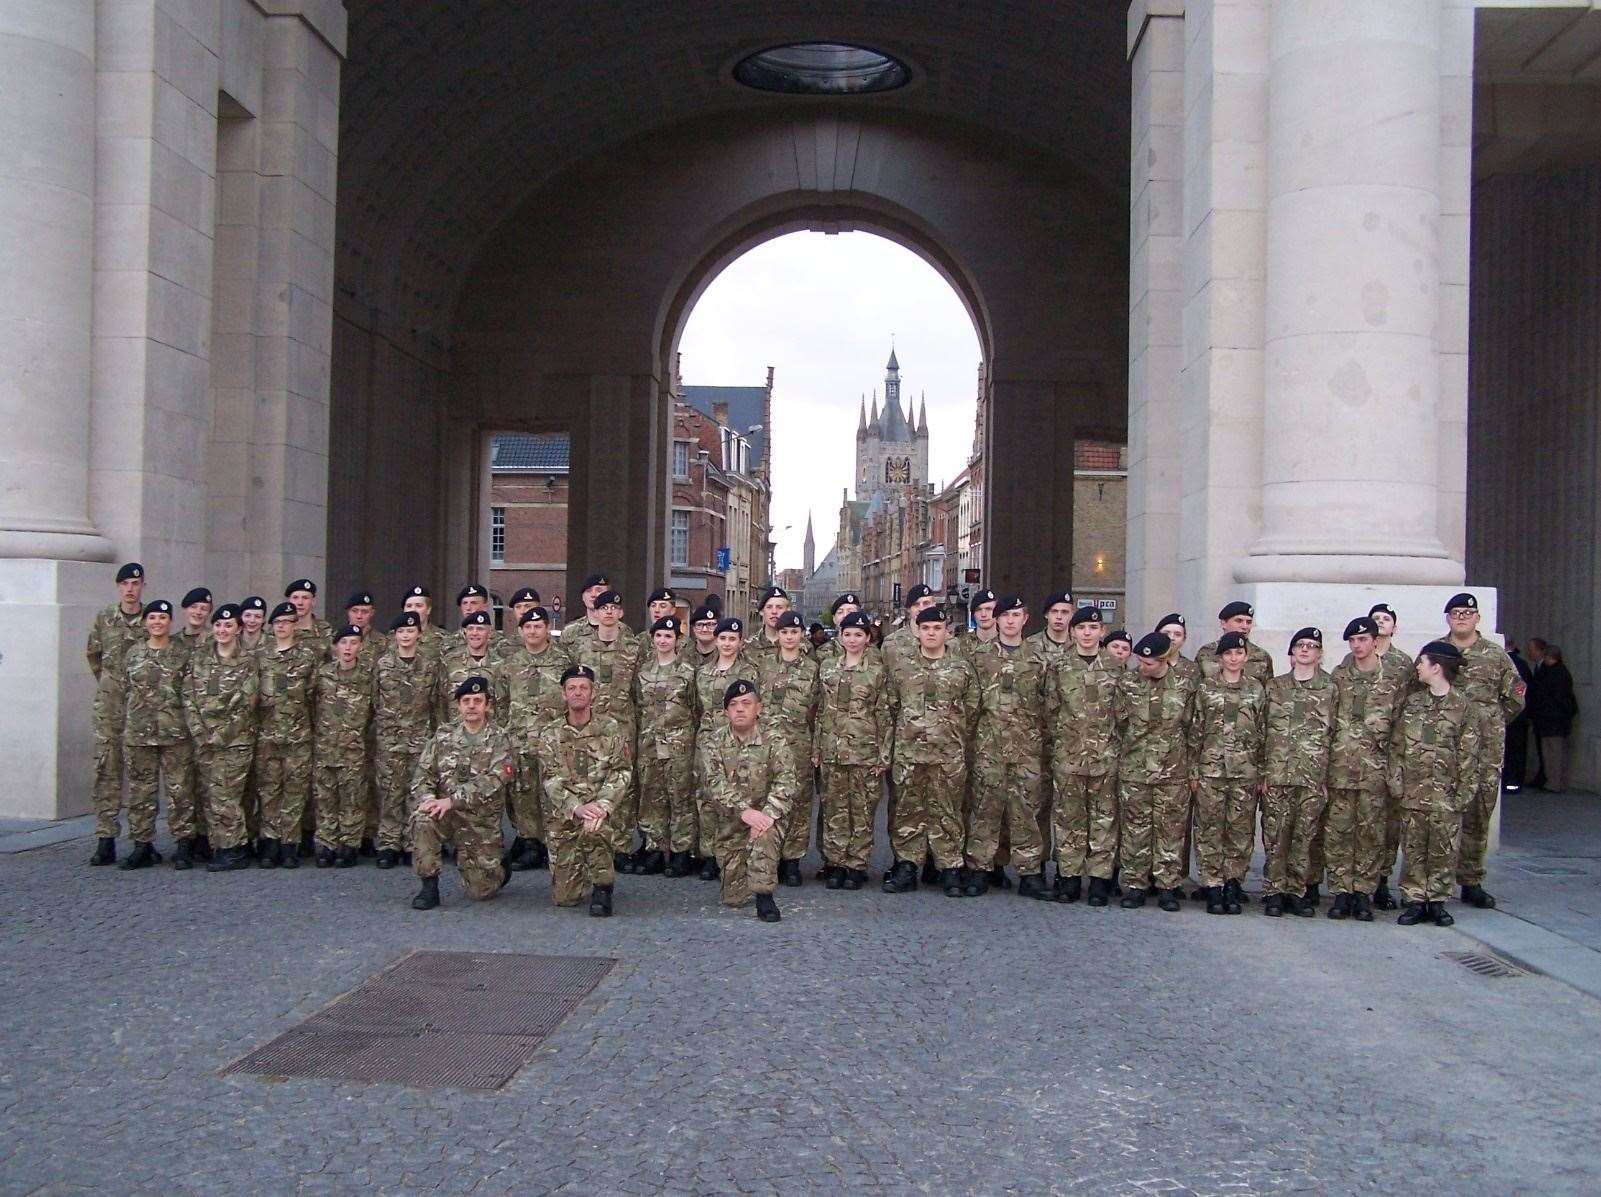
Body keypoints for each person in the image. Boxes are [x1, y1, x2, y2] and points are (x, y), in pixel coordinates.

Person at [882, 606, 978, 896]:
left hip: (947, 753)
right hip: (910, 754)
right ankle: (907, 865)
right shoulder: (903, 667)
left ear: (946, 630)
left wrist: (953, 736)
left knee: (947, 811)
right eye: (926, 628)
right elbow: (890, 706)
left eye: (937, 628)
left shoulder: (961, 668)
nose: (932, 633)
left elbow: (972, 708)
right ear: (918, 631)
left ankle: (949, 866)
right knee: (907, 811)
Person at [1390, 642, 1483, 927]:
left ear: (1437, 667)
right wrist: (1397, 784)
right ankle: (1416, 900)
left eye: (1422, 662)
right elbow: (1397, 747)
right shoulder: (1413, 703)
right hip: (1413, 792)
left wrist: (1463, 795)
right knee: (1414, 850)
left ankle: (1438, 901)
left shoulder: (1463, 707)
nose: (1417, 667)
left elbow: (1470, 755)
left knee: (1443, 850)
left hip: (1446, 794)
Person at [1441, 592, 1525, 909]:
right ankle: (1437, 882)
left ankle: (1471, 880)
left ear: (1477, 618)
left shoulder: (1495, 655)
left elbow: (1516, 695)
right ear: (1447, 618)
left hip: (1484, 753)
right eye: (1455, 613)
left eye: (1467, 613)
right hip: (1444, 751)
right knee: (1441, 818)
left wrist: (1491, 721)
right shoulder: (1439, 651)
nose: (1461, 617)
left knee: (1477, 816)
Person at [966, 596, 1052, 898]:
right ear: (996, 620)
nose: (1011, 621)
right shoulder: (979, 657)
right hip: (989, 746)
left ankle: (1029, 872)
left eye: (1017, 615)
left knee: (1026, 810)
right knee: (985, 809)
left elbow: (1049, 704)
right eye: (1005, 616)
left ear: (1026, 618)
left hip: (1027, 747)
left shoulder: (1040, 659)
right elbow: (970, 705)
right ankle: (980, 868)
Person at [408, 676, 517, 910]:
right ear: (458, 705)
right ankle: (429, 886)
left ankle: (499, 863)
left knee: (481, 892)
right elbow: (422, 774)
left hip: (480, 820)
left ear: (487, 705)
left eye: (477, 701)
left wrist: (452, 800)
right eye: (466, 700)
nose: (471, 706)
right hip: (444, 812)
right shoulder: (443, 736)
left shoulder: (501, 739)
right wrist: (427, 800)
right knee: (422, 819)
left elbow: (495, 780)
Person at [1326, 616, 1408, 921]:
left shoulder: (1393, 679)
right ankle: (1341, 892)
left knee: (1371, 834)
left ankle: (1363, 893)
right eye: (1353, 640)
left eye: (1363, 639)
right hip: (1340, 769)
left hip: (1376, 771)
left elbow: (1400, 727)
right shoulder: (1338, 677)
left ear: (1376, 641)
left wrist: (1395, 771)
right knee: (1339, 833)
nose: (1358, 645)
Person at [537, 664, 630, 916]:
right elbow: (549, 778)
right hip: (565, 815)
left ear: (593, 693)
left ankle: (602, 886)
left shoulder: (610, 729)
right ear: (563, 694)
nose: (578, 692)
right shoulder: (550, 734)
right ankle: (580, 871)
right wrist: (576, 807)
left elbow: (622, 771)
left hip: (599, 812)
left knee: (595, 828)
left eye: (583, 688)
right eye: (572, 688)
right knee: (565, 898)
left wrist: (602, 806)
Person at [1185, 630, 1266, 915]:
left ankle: (1233, 881)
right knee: (1209, 828)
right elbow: (1194, 730)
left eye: (1239, 653)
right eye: (1229, 653)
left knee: (1240, 829)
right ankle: (1212, 884)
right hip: (1210, 769)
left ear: (1246, 657)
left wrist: (1262, 773)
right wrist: (1193, 771)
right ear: (1220, 657)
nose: (1233, 658)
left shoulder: (1256, 689)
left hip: (1245, 771)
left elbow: (1264, 731)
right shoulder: (1206, 688)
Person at [1112, 631, 1195, 911]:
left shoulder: (1184, 685)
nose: (1143, 667)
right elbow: (1119, 722)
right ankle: (1135, 884)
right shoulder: (1128, 682)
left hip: (1173, 770)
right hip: (1135, 768)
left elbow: (1192, 726)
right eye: (1140, 661)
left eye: (1149, 663)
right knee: (1135, 829)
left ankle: (1168, 886)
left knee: (1170, 829)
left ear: (1165, 660)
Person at [701, 678, 796, 922]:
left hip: (767, 818)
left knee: (763, 836)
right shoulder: (714, 741)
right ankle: (741, 872)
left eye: (746, 703)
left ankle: (765, 898)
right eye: (733, 704)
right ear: (726, 711)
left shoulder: (774, 739)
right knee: (733, 898)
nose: (740, 709)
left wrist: (765, 815)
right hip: (731, 823)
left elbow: (786, 781)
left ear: (759, 708)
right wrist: (745, 811)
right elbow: (714, 784)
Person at [1045, 606, 1121, 905]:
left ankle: (1100, 879)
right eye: (1081, 628)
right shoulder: (1061, 666)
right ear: (1073, 632)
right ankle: (1070, 877)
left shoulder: (1115, 667)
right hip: (1069, 755)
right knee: (1068, 819)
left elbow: (1123, 712)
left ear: (1102, 632)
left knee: (1104, 819)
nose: (1087, 633)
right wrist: (1064, 741)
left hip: (1105, 756)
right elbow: (1051, 708)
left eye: (1093, 628)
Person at [566, 588, 644, 871]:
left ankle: (621, 845)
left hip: (623, 725)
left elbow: (641, 687)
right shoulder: (580, 647)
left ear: (621, 613)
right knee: (589, 780)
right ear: (595, 614)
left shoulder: (634, 647)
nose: (609, 611)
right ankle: (588, 839)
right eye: (603, 607)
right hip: (591, 727)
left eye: (614, 607)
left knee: (623, 784)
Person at [1259, 628, 1335, 918]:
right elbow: (1260, 731)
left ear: (1319, 654)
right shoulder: (1274, 687)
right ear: (1291, 653)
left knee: (1304, 838)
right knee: (1276, 836)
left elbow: (1335, 734)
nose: (1305, 649)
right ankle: (1274, 891)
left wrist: (1327, 777)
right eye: (1299, 645)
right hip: (1277, 774)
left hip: (1312, 777)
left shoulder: (1330, 688)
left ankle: (1297, 891)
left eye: (1312, 646)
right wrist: (1262, 773)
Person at [814, 610, 890, 890]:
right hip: (832, 750)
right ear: (841, 637)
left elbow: (884, 713)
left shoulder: (877, 672)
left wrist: (884, 754)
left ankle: (857, 864)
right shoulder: (828, 669)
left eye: (859, 634)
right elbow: (821, 711)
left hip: (864, 751)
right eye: (848, 634)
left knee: (862, 810)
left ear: (868, 638)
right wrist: (817, 748)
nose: (853, 639)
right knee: (834, 808)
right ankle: (835, 862)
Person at [183, 603, 260, 872]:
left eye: (228, 625)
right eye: (218, 625)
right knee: (210, 794)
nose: (223, 630)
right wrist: (200, 731)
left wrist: (220, 735)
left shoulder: (248, 662)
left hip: (234, 742)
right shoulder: (200, 658)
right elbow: (188, 697)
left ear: (238, 629)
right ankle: (221, 845)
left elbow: (247, 704)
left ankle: (234, 849)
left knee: (226, 795)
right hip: (205, 741)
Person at [119, 600, 190, 869]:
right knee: (140, 791)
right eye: (152, 617)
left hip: (175, 733)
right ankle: (142, 845)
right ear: (145, 622)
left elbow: (190, 690)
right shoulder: (134, 654)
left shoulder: (182, 653)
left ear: (170, 621)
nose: (157, 622)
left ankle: (183, 843)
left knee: (180, 790)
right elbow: (126, 687)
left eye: (162, 617)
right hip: (139, 733)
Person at [86, 562, 147, 866]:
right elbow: (93, 655)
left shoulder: (153, 618)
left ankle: (141, 839)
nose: (130, 588)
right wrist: (110, 684)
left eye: (135, 583)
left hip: (142, 707)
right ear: (118, 587)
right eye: (125, 583)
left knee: (140, 774)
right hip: (109, 707)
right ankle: (105, 838)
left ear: (143, 586)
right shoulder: (105, 618)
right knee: (106, 770)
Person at [756, 610, 820, 884]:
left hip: (798, 743)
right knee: (767, 798)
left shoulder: (812, 669)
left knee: (799, 801)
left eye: (794, 632)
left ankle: (792, 859)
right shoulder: (763, 665)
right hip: (767, 744)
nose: (789, 637)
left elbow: (820, 711)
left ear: (802, 635)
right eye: (784, 632)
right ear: (778, 636)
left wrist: (816, 747)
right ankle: (769, 857)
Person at [502, 606, 568, 871]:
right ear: (521, 630)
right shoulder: (511, 664)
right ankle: (530, 843)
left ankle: (553, 844)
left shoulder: (562, 661)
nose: (532, 631)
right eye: (528, 627)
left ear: (546, 629)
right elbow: (501, 702)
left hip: (552, 741)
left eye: (538, 626)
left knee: (552, 792)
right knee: (523, 794)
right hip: (520, 740)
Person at [632, 614, 699, 876]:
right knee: (651, 797)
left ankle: (681, 851)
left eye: (668, 636)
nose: (663, 640)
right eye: (659, 635)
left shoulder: (688, 673)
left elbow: (695, 709)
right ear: (652, 639)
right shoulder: (643, 673)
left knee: (680, 797)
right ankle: (655, 849)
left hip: (679, 745)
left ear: (677, 640)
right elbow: (638, 707)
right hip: (649, 744)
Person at [373, 611, 440, 869]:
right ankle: (389, 843)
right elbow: (374, 699)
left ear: (418, 635)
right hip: (390, 739)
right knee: (390, 792)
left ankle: (413, 843)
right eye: (401, 632)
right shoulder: (383, 665)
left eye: (410, 631)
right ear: (395, 635)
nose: (406, 636)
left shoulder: (429, 666)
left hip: (419, 738)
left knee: (417, 791)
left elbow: (435, 703)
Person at [254, 601, 318, 868]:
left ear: (295, 625)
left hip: (298, 735)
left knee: (295, 791)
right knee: (269, 791)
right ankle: (269, 843)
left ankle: (289, 844)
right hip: (267, 735)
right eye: (278, 623)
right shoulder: (260, 656)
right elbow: (252, 695)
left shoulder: (307, 656)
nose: (282, 627)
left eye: (287, 622)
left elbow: (314, 695)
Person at [691, 617, 750, 881]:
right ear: (716, 640)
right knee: (707, 799)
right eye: (723, 638)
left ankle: (735, 855)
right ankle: (709, 854)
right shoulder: (702, 672)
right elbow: (694, 708)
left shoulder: (749, 673)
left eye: (732, 639)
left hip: (737, 743)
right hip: (708, 743)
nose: (727, 643)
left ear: (740, 642)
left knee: (736, 798)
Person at [312, 625, 375, 867]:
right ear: (335, 646)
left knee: (352, 798)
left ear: (360, 646)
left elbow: (375, 709)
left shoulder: (367, 675)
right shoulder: (323, 675)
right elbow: (310, 706)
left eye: (353, 643)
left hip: (354, 748)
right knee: (325, 797)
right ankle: (326, 844)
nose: (348, 648)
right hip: (326, 746)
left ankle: (349, 844)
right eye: (344, 642)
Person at [437, 610, 508, 723]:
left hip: (490, 735)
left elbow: (504, 704)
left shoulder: (501, 665)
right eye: (470, 629)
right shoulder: (449, 662)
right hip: (455, 734)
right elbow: (440, 701)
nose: (474, 633)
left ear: (489, 633)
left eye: (480, 629)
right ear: (465, 632)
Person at [1528, 642, 1578, 792]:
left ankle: (1554, 782)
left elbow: (1559, 697)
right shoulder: (1557, 672)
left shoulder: (1555, 673)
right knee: (1551, 752)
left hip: (1553, 719)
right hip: (1553, 719)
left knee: (1553, 753)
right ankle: (1553, 781)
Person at [1195, 601, 1273, 685]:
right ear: (1223, 623)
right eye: (1239, 621)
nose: (1245, 626)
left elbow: (1267, 692)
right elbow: (1196, 687)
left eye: (1249, 622)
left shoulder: (1262, 656)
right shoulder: (1206, 653)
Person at [1502, 637, 1535, 792]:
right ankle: (1514, 781)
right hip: (1519, 715)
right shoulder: (1522, 664)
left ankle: (1510, 782)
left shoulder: (1508, 663)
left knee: (1509, 750)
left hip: (1511, 715)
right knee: (1517, 750)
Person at [284, 578, 330, 656]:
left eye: (305, 598)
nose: (300, 603)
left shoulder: (325, 630)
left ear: (313, 601)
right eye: (295, 598)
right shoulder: (279, 628)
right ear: (289, 601)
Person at [680, 604, 720, 668]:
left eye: (710, 624)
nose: (704, 629)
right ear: (693, 628)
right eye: (699, 625)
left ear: (718, 627)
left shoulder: (725, 653)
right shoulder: (682, 653)